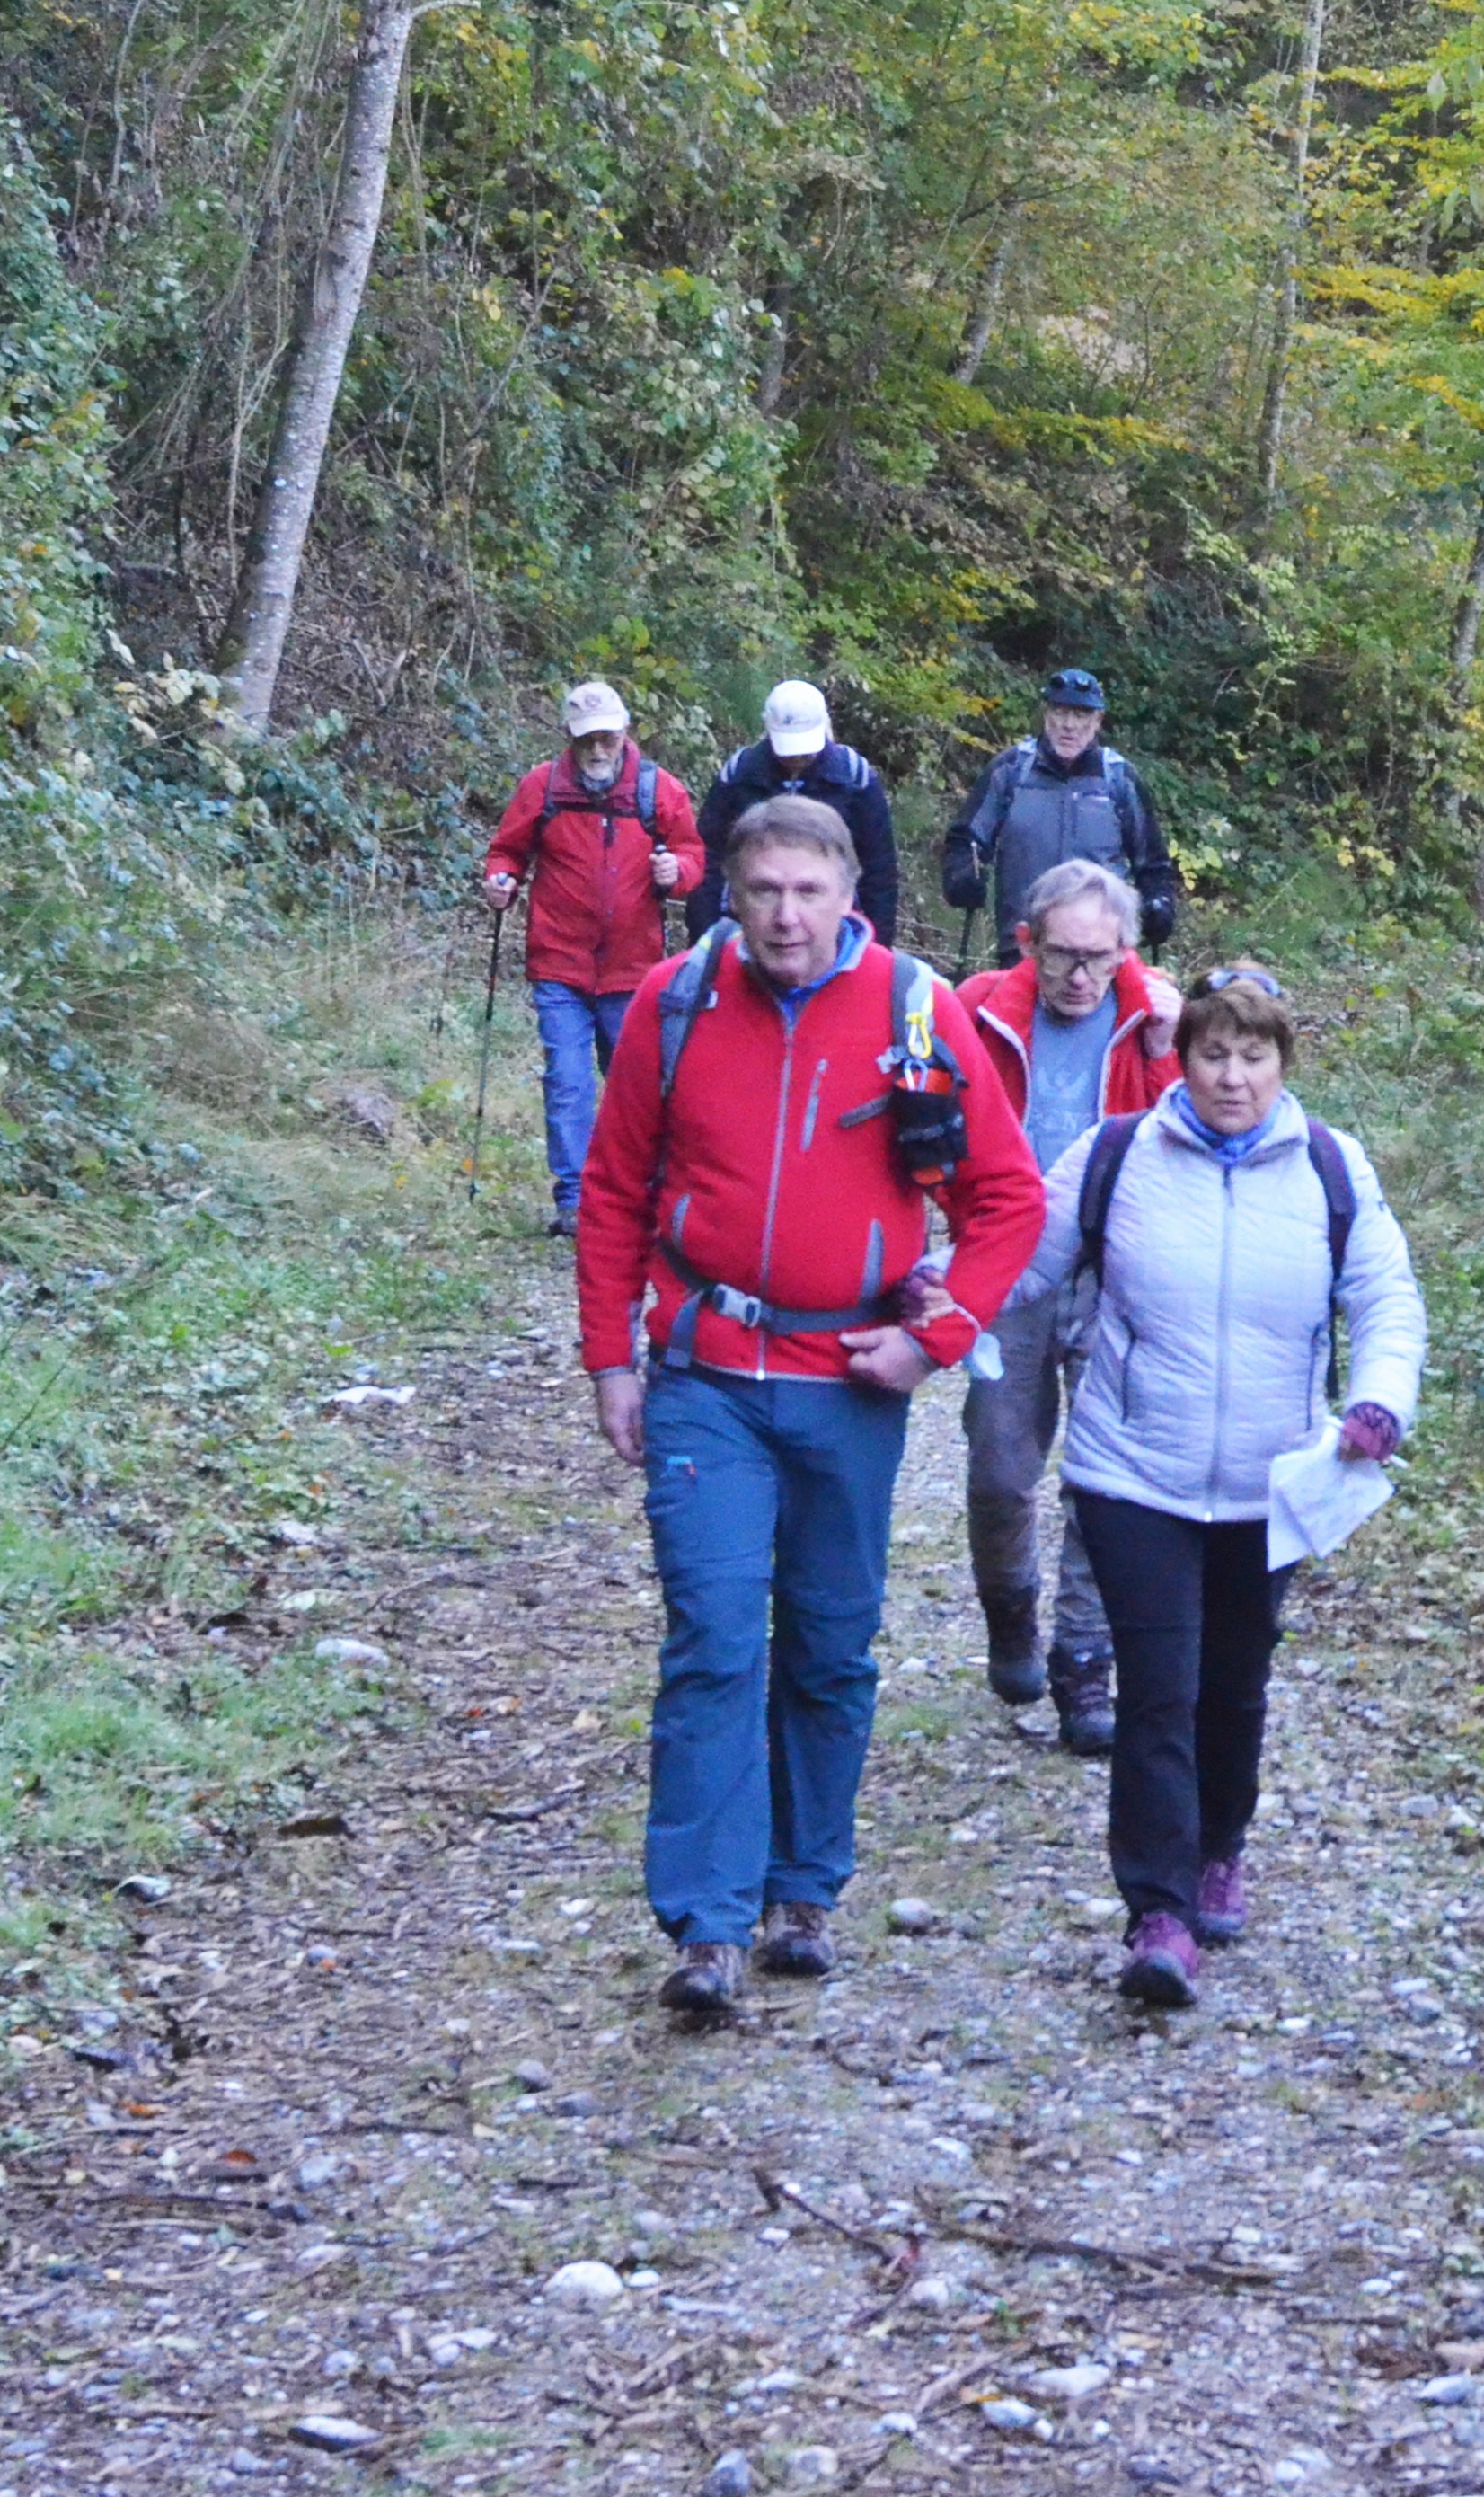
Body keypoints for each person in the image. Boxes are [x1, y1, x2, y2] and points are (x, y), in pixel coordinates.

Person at [572, 794, 1048, 2013]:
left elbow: (1007, 1199)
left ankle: (804, 1892)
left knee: (831, 1644)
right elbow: (615, 1186)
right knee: (715, 1634)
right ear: (729, 892)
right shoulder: (675, 1004)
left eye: (808, 891)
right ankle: (707, 1922)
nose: (786, 915)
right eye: (764, 889)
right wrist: (611, 1356)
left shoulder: (915, 1009)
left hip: (849, 1382)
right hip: (708, 1374)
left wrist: (935, 1340)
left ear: (849, 895)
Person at [1009, 962, 1422, 2007]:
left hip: (1269, 1479)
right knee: (1159, 1688)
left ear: (1284, 1062)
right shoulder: (1115, 1156)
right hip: (1132, 1471)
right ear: (1181, 1057)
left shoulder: (1331, 1165)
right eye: (1213, 1053)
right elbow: (1019, 1261)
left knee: (1235, 1683)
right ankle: (1158, 1910)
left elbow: (1385, 1295)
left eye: (1254, 1055)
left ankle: (1219, 1847)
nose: (1233, 1076)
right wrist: (920, 1293)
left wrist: (1379, 1402)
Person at [950, 859, 1183, 1746]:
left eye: (1100, 956)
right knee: (1000, 1468)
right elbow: (929, 1125)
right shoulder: (977, 1009)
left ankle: (1085, 1666)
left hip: (1114, 1272)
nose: (1082, 975)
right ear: (1028, 943)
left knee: (1105, 1478)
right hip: (1008, 1264)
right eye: (1063, 955)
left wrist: (1165, 1049)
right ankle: (1010, 1611)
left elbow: (1183, 1140)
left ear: (1126, 950)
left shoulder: (1154, 1018)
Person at [483, 682, 702, 1235]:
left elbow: (693, 854)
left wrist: (677, 872)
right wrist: (500, 880)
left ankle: (638, 1190)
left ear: (625, 733)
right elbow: (508, 850)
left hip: (633, 970)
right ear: (569, 737)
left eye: (607, 737)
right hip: (559, 964)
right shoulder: (543, 787)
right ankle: (575, 1201)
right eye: (586, 740)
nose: (597, 749)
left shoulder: (658, 790)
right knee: (568, 1080)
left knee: (635, 1086)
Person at [939, 669, 1179, 955]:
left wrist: (1160, 904)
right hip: (1025, 946)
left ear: (1097, 720)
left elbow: (1153, 864)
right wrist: (962, 877)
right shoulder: (1011, 771)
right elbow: (966, 840)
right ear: (1046, 714)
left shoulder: (1119, 779)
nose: (1069, 725)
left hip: (1100, 952)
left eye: (1080, 715)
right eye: (1060, 712)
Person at [696, 675, 901, 945]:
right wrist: (704, 936)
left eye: (805, 751)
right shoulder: (741, 774)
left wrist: (877, 945)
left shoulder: (854, 777)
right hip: (746, 924)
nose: (796, 759)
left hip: (834, 927)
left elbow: (879, 870)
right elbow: (707, 858)